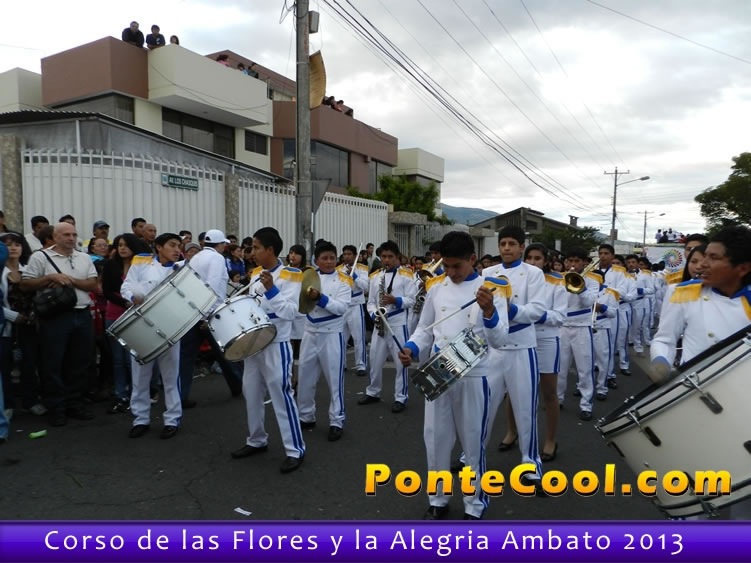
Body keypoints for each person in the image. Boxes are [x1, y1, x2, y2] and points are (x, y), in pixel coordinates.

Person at [399, 231, 509, 520]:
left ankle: (474, 504)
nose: (450, 272)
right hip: (439, 370)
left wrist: (489, 312)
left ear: (472, 259)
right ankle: (438, 499)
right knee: (435, 438)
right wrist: (411, 347)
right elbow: (425, 329)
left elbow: (500, 340)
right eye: (446, 266)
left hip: (473, 374)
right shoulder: (436, 288)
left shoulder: (493, 289)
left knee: (472, 441)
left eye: (456, 266)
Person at [650, 225, 751, 520]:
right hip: (695, 406)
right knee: (694, 503)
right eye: (704, 256)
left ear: (742, 268)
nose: (702, 264)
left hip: (746, 411)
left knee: (745, 507)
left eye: (714, 258)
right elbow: (664, 338)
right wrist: (661, 361)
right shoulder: (684, 293)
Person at [231, 227, 305, 474]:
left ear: (270, 250)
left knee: (281, 395)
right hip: (253, 343)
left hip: (276, 343)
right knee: (251, 392)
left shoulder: (292, 275)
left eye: (256, 247)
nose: (251, 252)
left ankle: (295, 449)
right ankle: (256, 439)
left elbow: (291, 312)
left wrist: (272, 289)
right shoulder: (255, 274)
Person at [480, 226, 545, 486]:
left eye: (511, 244)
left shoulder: (533, 273)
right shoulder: (487, 273)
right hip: (494, 350)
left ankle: (530, 463)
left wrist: (510, 309)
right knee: (483, 406)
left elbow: (537, 310)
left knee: (525, 408)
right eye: (503, 243)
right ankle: (472, 455)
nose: (506, 248)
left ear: (521, 247)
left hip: (521, 348)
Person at [21, 222, 98, 427]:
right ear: (54, 237)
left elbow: (93, 284)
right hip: (55, 317)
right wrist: (49, 278)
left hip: (82, 314)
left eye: (74, 234)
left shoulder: (84, 257)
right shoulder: (40, 257)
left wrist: (70, 280)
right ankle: (56, 406)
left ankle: (74, 403)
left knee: (79, 362)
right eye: (66, 234)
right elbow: (25, 284)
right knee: (52, 362)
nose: (71, 238)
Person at [120, 233, 184, 439]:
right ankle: (140, 419)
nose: (177, 250)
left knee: (170, 376)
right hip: (142, 325)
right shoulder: (141, 263)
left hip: (171, 326)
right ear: (159, 247)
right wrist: (132, 297)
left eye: (179, 246)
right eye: (172, 245)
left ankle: (172, 419)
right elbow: (126, 286)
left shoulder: (182, 269)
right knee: (140, 376)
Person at [178, 229, 242, 406]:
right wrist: (207, 315)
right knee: (226, 352)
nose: (225, 247)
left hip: (194, 312)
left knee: (186, 358)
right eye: (224, 244)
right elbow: (212, 286)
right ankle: (238, 386)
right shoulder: (217, 258)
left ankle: (181, 395)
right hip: (212, 314)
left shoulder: (196, 257)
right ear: (219, 244)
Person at [297, 241, 352, 441]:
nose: (329, 262)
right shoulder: (307, 276)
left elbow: (341, 308)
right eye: (324, 258)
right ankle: (306, 416)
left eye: (332, 258)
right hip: (310, 332)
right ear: (316, 260)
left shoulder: (344, 280)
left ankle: (337, 420)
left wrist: (320, 298)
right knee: (305, 377)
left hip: (331, 334)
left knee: (334, 380)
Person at [359, 241, 417, 413]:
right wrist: (373, 315)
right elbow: (370, 302)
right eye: (383, 256)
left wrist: (396, 300)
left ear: (397, 257)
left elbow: (411, 300)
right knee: (374, 360)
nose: (386, 260)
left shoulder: (407, 275)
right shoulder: (375, 276)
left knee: (400, 363)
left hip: (397, 324)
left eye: (390, 257)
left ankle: (401, 397)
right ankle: (373, 391)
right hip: (379, 324)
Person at [102, 234, 151, 414]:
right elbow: (107, 291)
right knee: (118, 360)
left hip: (138, 316)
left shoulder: (144, 266)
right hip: (115, 314)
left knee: (135, 359)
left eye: (126, 245)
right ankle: (120, 394)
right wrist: (126, 303)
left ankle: (137, 394)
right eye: (119, 245)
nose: (122, 248)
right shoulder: (111, 265)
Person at [0, 232, 44, 416]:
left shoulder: (28, 270)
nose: (13, 248)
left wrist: (33, 315)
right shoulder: (1, 272)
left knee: (29, 363)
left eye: (17, 244)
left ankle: (30, 400)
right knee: (5, 366)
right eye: (8, 245)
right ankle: (7, 404)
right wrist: (13, 316)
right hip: (6, 327)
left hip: (30, 324)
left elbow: (39, 296)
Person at [556, 247, 599, 421]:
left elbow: (589, 302)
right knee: (560, 368)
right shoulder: (559, 279)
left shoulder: (593, 281)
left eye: (577, 261)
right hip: (563, 327)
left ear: (584, 263)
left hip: (582, 327)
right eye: (570, 261)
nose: (573, 265)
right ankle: (557, 399)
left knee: (585, 368)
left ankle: (586, 405)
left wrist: (580, 286)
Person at [597, 244, 628, 390]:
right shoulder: (592, 270)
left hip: (611, 311)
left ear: (612, 256)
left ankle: (609, 376)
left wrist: (605, 290)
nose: (603, 256)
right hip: (593, 311)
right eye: (601, 253)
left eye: (606, 253)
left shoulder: (619, 272)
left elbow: (622, 291)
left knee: (609, 346)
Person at [336, 245, 369, 377]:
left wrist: (354, 275)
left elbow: (365, 287)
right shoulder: (338, 269)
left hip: (356, 305)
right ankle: (342, 363)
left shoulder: (362, 269)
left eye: (349, 254)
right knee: (341, 337)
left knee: (358, 337)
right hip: (342, 305)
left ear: (355, 256)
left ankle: (361, 365)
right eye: (345, 254)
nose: (347, 256)